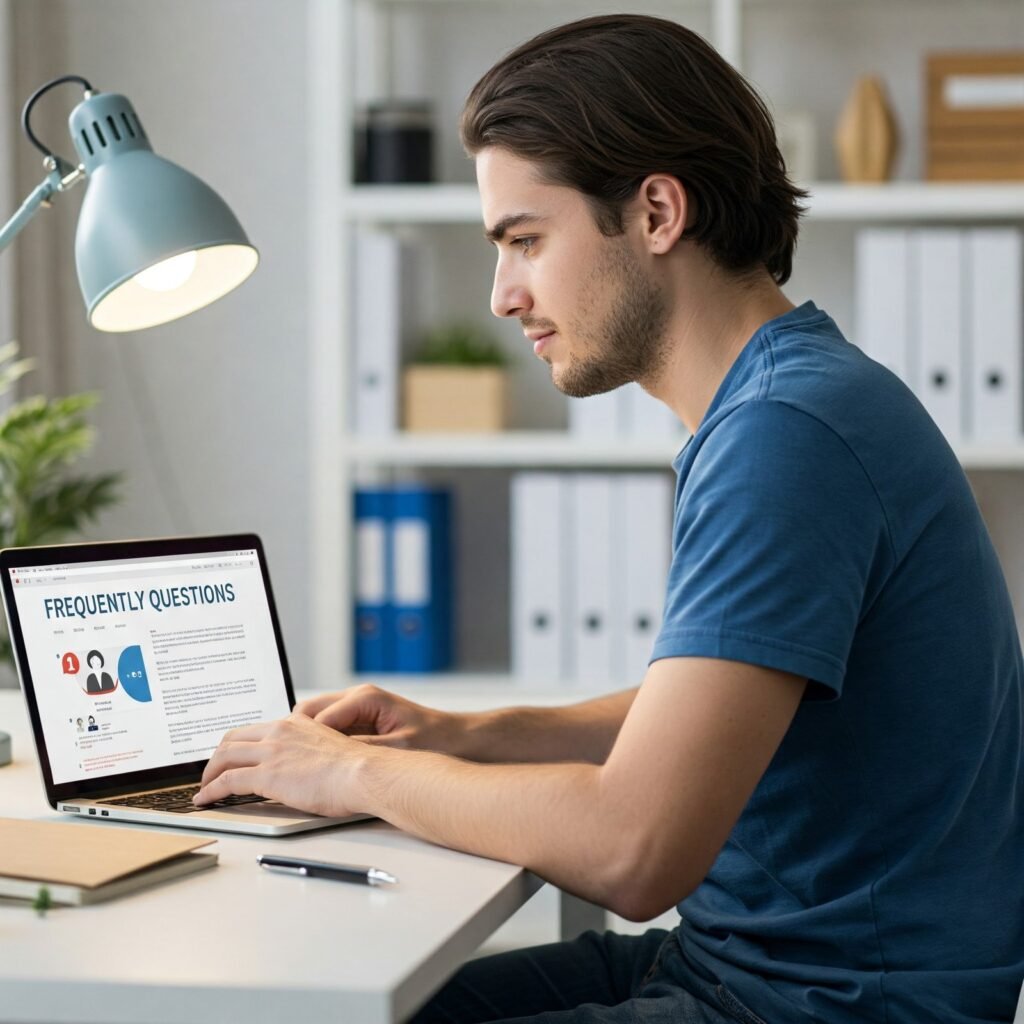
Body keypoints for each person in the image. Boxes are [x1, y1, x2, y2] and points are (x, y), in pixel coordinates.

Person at [194, 14, 1024, 1023]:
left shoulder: (785, 436)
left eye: (526, 241)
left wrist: (356, 772)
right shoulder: (789, 401)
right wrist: (458, 735)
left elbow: (632, 850)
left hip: (823, 1004)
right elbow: (708, 716)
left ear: (658, 212)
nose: (505, 295)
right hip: (740, 970)